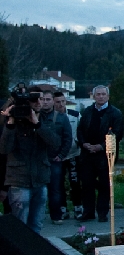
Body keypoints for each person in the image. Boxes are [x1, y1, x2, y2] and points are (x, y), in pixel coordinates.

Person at [0, 89, 61, 233]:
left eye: (41, 99)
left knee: (36, 224)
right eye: (35, 100)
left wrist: (37, 124)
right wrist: (11, 123)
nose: (40, 103)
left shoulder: (45, 120)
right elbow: (4, 149)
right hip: (19, 180)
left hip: (40, 178)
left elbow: (55, 143)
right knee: (20, 225)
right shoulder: (12, 122)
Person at [76, 85, 124, 222]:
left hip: (105, 155)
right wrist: (84, 143)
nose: (101, 96)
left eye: (103, 94)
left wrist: (101, 147)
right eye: (98, 94)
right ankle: (88, 211)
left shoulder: (115, 113)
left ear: (108, 96)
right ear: (94, 96)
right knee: (86, 184)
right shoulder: (87, 111)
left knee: (104, 184)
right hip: (87, 154)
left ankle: (102, 212)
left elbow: (117, 134)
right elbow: (80, 130)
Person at [38, 90, 72, 223]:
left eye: (48, 99)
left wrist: (62, 155)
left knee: (55, 188)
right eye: (43, 99)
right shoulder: (34, 116)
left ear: (53, 101)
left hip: (54, 159)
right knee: (39, 190)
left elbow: (68, 138)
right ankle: (39, 215)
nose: (45, 102)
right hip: (38, 159)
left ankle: (56, 215)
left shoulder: (62, 118)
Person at [53, 91, 82, 220]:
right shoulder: (51, 117)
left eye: (63, 101)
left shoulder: (75, 115)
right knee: (58, 183)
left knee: (74, 181)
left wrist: (78, 142)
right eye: (57, 102)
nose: (60, 104)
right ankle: (62, 208)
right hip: (58, 156)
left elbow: (81, 131)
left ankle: (78, 206)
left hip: (73, 154)